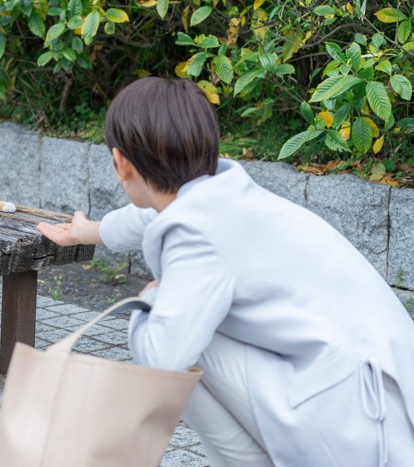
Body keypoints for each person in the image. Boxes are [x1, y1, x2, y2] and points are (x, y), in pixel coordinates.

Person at [36, 77, 414, 466]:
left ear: (120, 162)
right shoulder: (224, 194)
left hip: (360, 430)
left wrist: (151, 300)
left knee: (171, 332)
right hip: (386, 409)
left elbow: (164, 358)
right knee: (192, 324)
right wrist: (89, 232)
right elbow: (150, 214)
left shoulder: (193, 231)